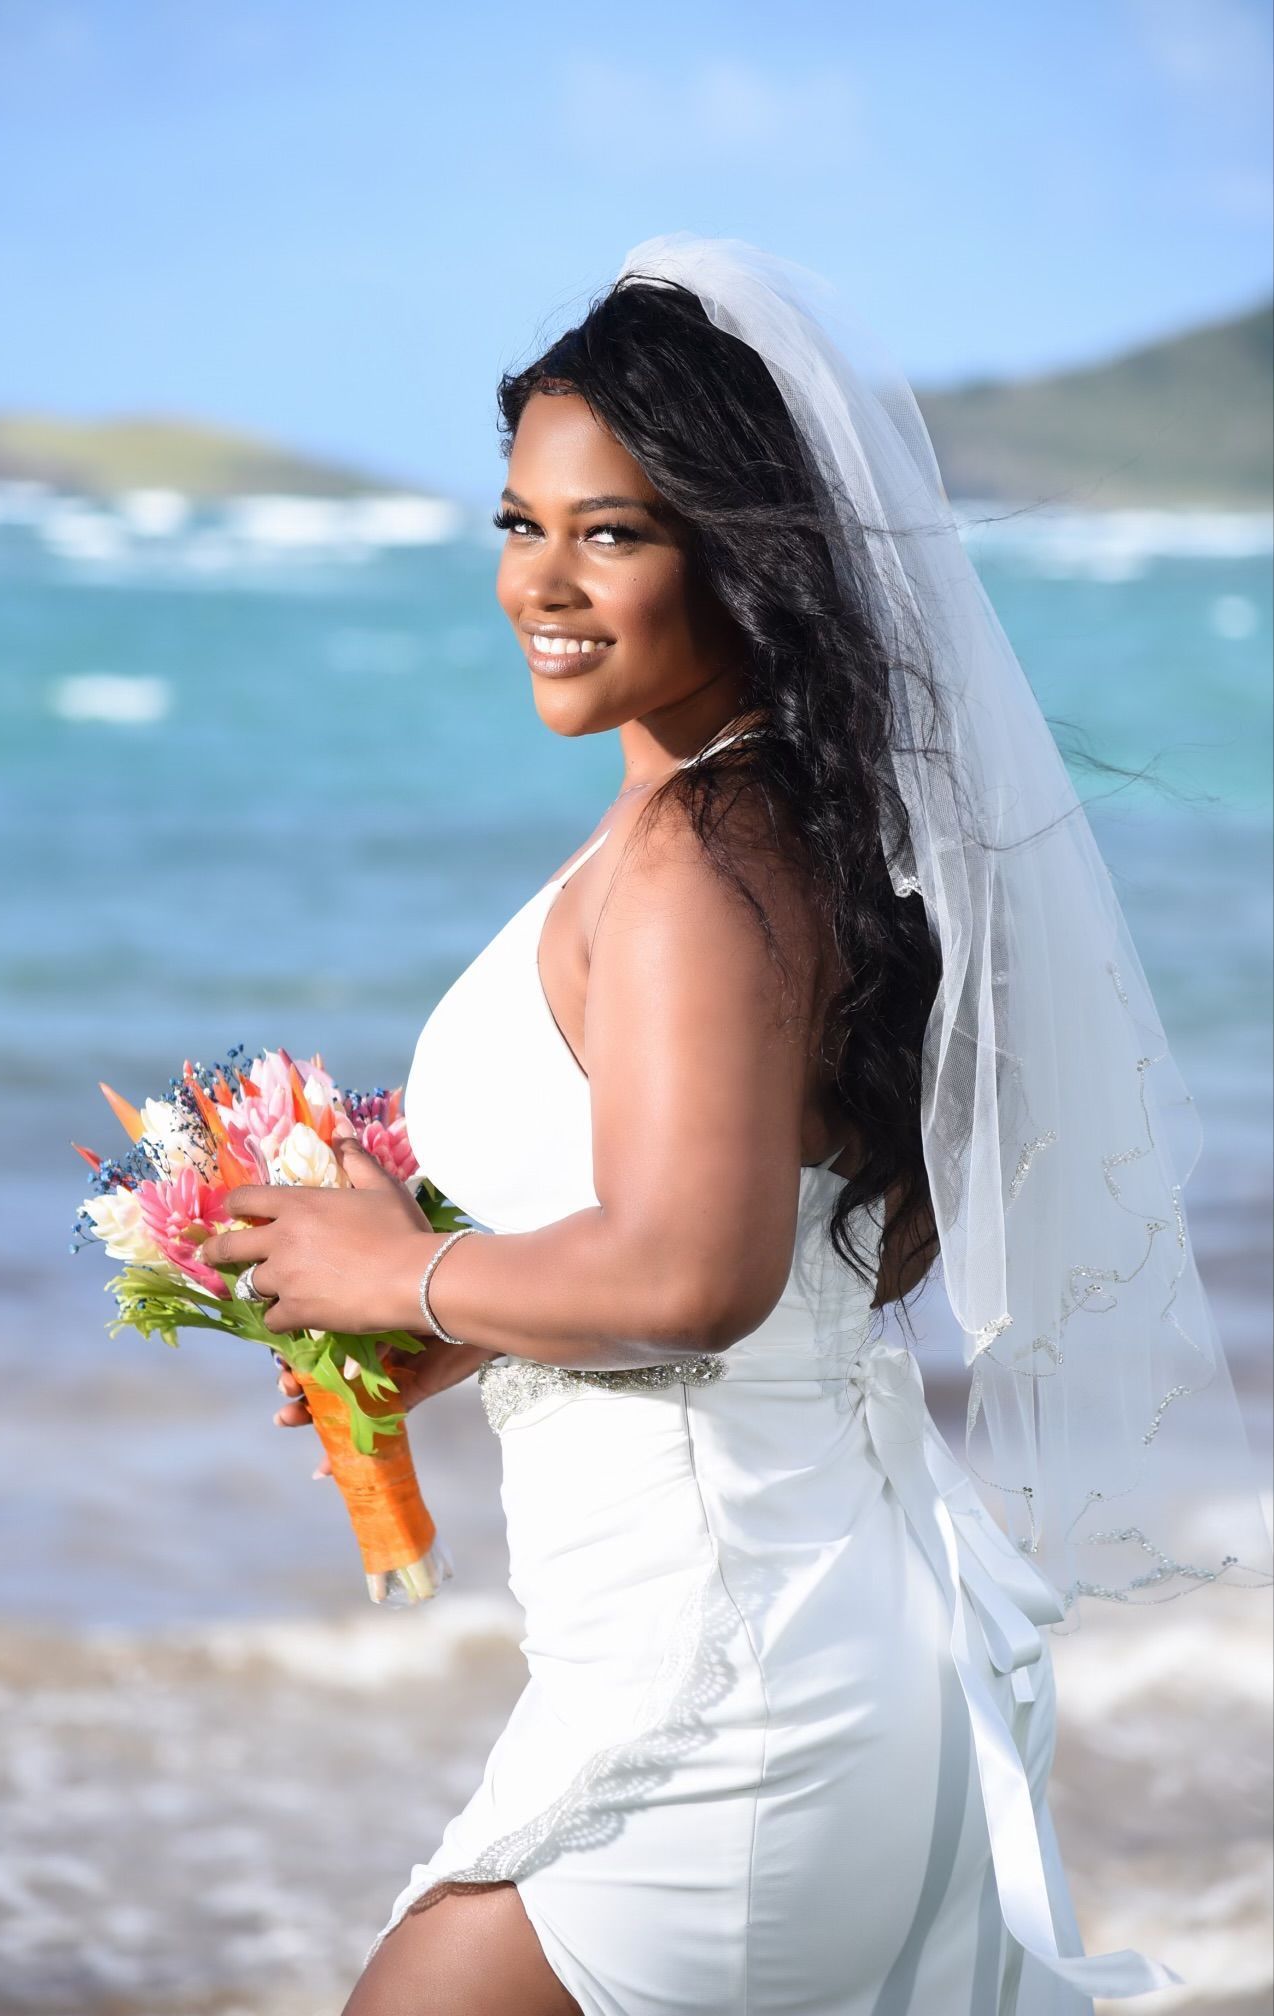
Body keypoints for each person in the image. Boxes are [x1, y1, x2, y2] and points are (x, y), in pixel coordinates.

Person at [200, 238, 1268, 2014]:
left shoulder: (707, 859)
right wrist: (425, 1324)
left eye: (611, 531)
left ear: (736, 552)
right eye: (518, 523)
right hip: (764, 1637)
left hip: (726, 1688)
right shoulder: (733, 828)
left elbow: (696, 1273)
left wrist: (411, 1268)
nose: (544, 580)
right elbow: (699, 1252)